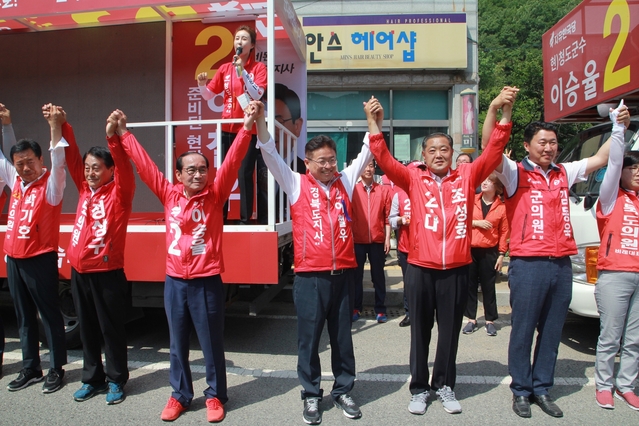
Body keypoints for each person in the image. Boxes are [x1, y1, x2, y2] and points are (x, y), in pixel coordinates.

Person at [366, 88, 515, 415]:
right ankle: (419, 388)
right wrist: (373, 123)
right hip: (420, 267)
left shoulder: (468, 175)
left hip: (457, 269)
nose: (438, 154)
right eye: (432, 149)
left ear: (452, 152)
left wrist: (501, 113)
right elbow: (384, 160)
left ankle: (445, 385)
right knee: (420, 331)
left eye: (444, 149)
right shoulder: (412, 178)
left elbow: (494, 150)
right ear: (423, 153)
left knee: (449, 332)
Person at [116, 102, 259, 422]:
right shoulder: (169, 194)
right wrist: (125, 135)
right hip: (175, 281)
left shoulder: (216, 193)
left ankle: (215, 396)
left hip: (207, 281)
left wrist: (247, 126)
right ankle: (180, 395)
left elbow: (234, 160)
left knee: (211, 343)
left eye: (202, 169)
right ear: (178, 175)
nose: (197, 174)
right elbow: (145, 167)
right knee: (177, 343)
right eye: (190, 169)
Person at [488, 100, 630, 418]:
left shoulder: (564, 171)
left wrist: (619, 126)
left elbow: (600, 158)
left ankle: (542, 389)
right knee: (523, 329)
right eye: (543, 142)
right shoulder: (514, 173)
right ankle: (521, 391)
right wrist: (498, 112)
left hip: (561, 264)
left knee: (552, 331)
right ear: (527, 145)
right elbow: (490, 149)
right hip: (528, 265)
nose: (549, 147)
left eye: (553, 142)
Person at [257, 100, 375, 425]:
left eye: (332, 159)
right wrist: (259, 123)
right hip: (310, 278)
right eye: (321, 161)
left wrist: (371, 120)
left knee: (342, 340)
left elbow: (367, 151)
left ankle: (344, 390)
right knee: (309, 340)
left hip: (343, 277)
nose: (328, 166)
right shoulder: (295, 184)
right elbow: (269, 153)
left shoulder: (345, 182)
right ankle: (311, 395)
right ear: (307, 163)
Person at [50, 105, 135, 405]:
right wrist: (64, 125)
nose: (89, 172)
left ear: (111, 170)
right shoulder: (85, 189)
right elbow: (72, 158)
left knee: (110, 330)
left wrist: (114, 139)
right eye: (88, 167)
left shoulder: (120, 194)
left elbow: (126, 167)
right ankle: (92, 379)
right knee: (86, 329)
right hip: (79, 272)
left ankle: (116, 380)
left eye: (96, 167)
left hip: (108, 273)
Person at [0, 104, 68, 393]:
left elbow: (59, 158)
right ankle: (31, 369)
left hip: (40, 258)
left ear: (41, 160)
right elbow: (3, 157)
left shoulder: (52, 185)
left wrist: (55, 127)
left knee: (49, 316)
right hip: (13, 258)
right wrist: (6, 125)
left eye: (30, 161)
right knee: (23, 317)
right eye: (20, 163)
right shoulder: (15, 180)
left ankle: (56, 368)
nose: (25, 168)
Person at [592, 102, 639, 410]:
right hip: (615, 275)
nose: (636, 173)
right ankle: (604, 384)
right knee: (611, 336)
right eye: (632, 169)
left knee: (635, 340)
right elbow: (613, 164)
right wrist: (618, 128)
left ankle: (627, 384)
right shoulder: (610, 199)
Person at [198, 25, 266, 224]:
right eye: (237, 39)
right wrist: (202, 85)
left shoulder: (258, 68)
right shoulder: (224, 69)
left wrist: (242, 72)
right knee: (225, 173)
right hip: (226, 128)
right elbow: (209, 94)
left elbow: (257, 94)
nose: (240, 42)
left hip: (247, 128)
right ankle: (221, 217)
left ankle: (246, 220)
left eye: (245, 39)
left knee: (244, 172)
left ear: (252, 45)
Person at [462, 173, 509, 337]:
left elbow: (504, 232)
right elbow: (460, 219)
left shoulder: (501, 207)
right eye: (484, 180)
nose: (484, 182)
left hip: (490, 250)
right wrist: (476, 223)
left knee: (489, 286)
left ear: (497, 187)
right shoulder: (472, 200)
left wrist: (502, 254)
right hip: (471, 248)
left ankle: (490, 321)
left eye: (489, 181)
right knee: (470, 285)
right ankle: (471, 319)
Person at [351, 160, 391, 323]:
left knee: (378, 276)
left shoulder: (383, 191)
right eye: (365, 166)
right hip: (357, 240)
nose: (368, 169)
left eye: (371, 166)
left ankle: (380, 309)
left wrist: (387, 238)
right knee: (356, 277)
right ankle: (355, 307)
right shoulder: (352, 190)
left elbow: (387, 218)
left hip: (377, 240)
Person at [388, 161, 422, 328]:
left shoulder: (430, 192)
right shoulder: (398, 194)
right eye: (415, 171)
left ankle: (426, 313)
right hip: (406, 247)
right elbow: (391, 219)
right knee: (409, 283)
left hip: (427, 250)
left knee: (425, 284)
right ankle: (410, 313)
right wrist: (401, 220)